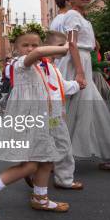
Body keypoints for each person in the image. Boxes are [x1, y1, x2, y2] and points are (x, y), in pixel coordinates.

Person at [0, 23, 72, 218]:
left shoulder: (42, 68)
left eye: (34, 45)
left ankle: (40, 198)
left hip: (41, 120)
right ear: (15, 48)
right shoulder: (21, 63)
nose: (30, 49)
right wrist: (65, 48)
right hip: (27, 121)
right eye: (25, 45)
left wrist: (56, 112)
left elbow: (50, 92)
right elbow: (38, 53)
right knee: (30, 165)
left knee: (46, 160)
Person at [58, 0, 110, 172]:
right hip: (76, 64)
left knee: (91, 110)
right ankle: (48, 159)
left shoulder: (81, 17)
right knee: (69, 111)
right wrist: (80, 72)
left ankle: (108, 156)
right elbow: (72, 44)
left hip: (81, 62)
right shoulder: (72, 16)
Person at [43, 30, 84, 190]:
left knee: (47, 145)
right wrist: (76, 85)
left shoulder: (51, 66)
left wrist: (75, 85)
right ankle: (64, 179)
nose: (64, 49)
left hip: (51, 113)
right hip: (53, 115)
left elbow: (62, 86)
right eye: (60, 46)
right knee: (64, 146)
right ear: (47, 47)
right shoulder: (47, 66)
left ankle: (32, 169)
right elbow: (55, 89)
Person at [91, 41, 110, 116]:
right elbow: (94, 64)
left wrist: (103, 72)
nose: (98, 44)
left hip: (97, 74)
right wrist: (107, 63)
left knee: (104, 93)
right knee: (106, 93)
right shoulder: (92, 52)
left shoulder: (96, 52)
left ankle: (108, 110)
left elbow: (96, 65)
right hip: (95, 75)